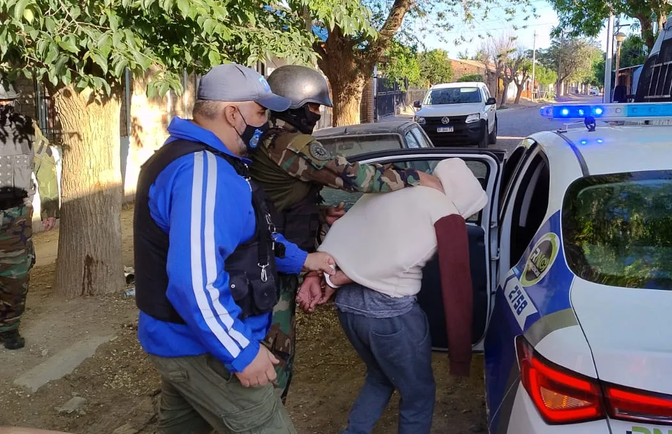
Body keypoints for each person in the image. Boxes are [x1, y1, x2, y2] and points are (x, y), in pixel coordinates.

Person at [133, 63, 337, 434]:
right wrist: (241, 353)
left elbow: (250, 238)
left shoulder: (205, 161)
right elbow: (193, 281)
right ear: (232, 113)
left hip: (184, 343)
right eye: (260, 112)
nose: (265, 122)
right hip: (203, 348)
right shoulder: (203, 172)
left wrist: (303, 258)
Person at [248, 64, 445, 402]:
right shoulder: (292, 144)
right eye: (313, 107)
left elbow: (277, 201)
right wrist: (414, 177)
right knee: (274, 355)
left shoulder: (267, 140)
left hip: (272, 256)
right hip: (269, 265)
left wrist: (320, 214)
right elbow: (352, 177)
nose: (317, 114)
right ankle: (264, 416)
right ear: (292, 105)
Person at [298, 158, 488, 434]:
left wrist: (329, 274)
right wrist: (460, 353)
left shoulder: (391, 189)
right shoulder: (445, 211)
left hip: (349, 309)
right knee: (419, 395)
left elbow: (344, 231)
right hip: (391, 315)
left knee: (379, 376)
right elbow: (449, 282)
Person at [0, 77, 59, 350]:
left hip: (15, 218)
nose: (4, 105)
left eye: (7, 101)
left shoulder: (27, 129)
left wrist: (50, 207)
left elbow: (45, 165)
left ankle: (9, 328)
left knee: (16, 276)